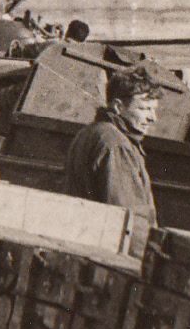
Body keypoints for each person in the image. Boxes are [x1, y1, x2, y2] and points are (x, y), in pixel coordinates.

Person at [63, 65, 162, 216]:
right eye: (144, 109)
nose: (153, 118)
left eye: (153, 109)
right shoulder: (116, 144)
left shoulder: (93, 131)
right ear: (117, 106)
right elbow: (127, 214)